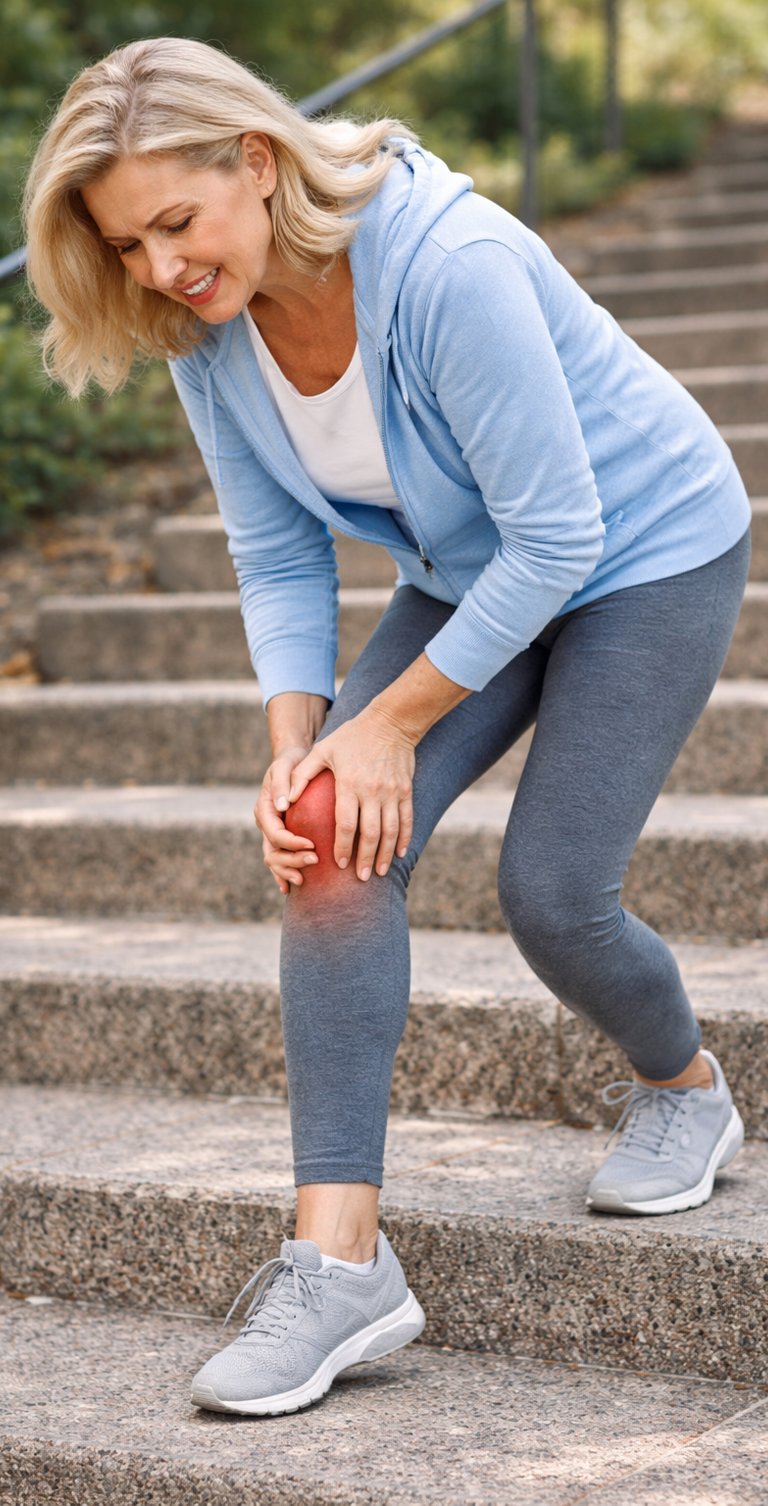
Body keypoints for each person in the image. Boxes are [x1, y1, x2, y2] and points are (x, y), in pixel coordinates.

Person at [24, 36, 752, 1419]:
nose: (162, 268)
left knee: (552, 892)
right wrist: (304, 741)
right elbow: (278, 552)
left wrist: (395, 725)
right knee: (325, 836)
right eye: (127, 246)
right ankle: (340, 1260)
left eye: (177, 222)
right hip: (478, 568)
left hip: (643, 548)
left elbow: (560, 537)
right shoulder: (207, 326)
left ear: (255, 161)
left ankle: (686, 1086)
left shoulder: (444, 263)